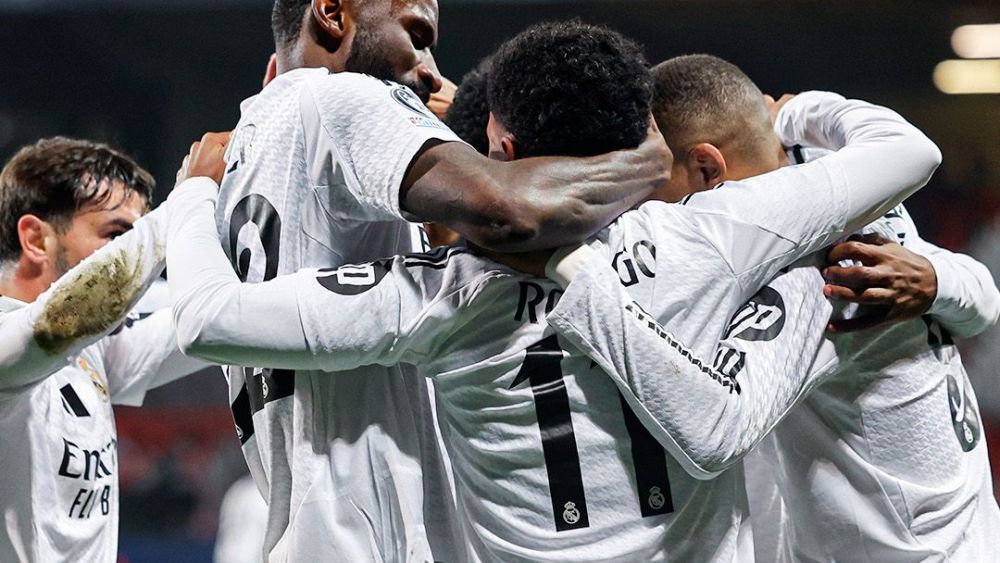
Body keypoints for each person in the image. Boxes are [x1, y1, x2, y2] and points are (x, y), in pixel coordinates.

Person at [165, 21, 940, 561]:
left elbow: (207, 318)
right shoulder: (720, 232)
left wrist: (196, 194)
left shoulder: (439, 299)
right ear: (641, 134)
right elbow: (908, 151)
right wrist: (794, 110)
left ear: (499, 147)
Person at [217, 1, 670, 560]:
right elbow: (511, 212)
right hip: (379, 538)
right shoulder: (343, 96)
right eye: (416, 34)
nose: (432, 70)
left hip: (312, 529)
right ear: (332, 12)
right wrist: (648, 163)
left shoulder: (243, 147)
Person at [551, 54, 1000, 561]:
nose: (651, 213)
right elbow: (983, 298)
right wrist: (940, 281)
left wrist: (576, 279)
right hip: (967, 530)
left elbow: (716, 430)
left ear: (706, 168)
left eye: (656, 189)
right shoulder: (857, 201)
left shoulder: (819, 270)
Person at [0, 137, 223, 562]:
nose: (132, 256)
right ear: (35, 239)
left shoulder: (93, 355)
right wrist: (185, 202)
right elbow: (62, 320)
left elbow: (212, 317)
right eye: (117, 235)